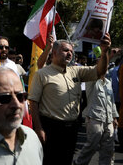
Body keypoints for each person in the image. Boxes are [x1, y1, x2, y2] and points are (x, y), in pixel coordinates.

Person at [29, 34, 111, 165]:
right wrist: (39, 129)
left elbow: (100, 71)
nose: (69, 54)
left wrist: (105, 51)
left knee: (66, 160)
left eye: (71, 51)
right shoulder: (42, 74)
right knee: (49, 161)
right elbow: (33, 102)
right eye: (66, 50)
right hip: (51, 127)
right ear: (54, 53)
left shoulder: (76, 71)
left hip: (71, 128)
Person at [74, 75, 118, 165]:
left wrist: (114, 117)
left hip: (108, 119)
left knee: (108, 148)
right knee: (92, 146)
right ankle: (79, 163)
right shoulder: (91, 81)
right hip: (94, 117)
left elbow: (111, 101)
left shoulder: (108, 83)